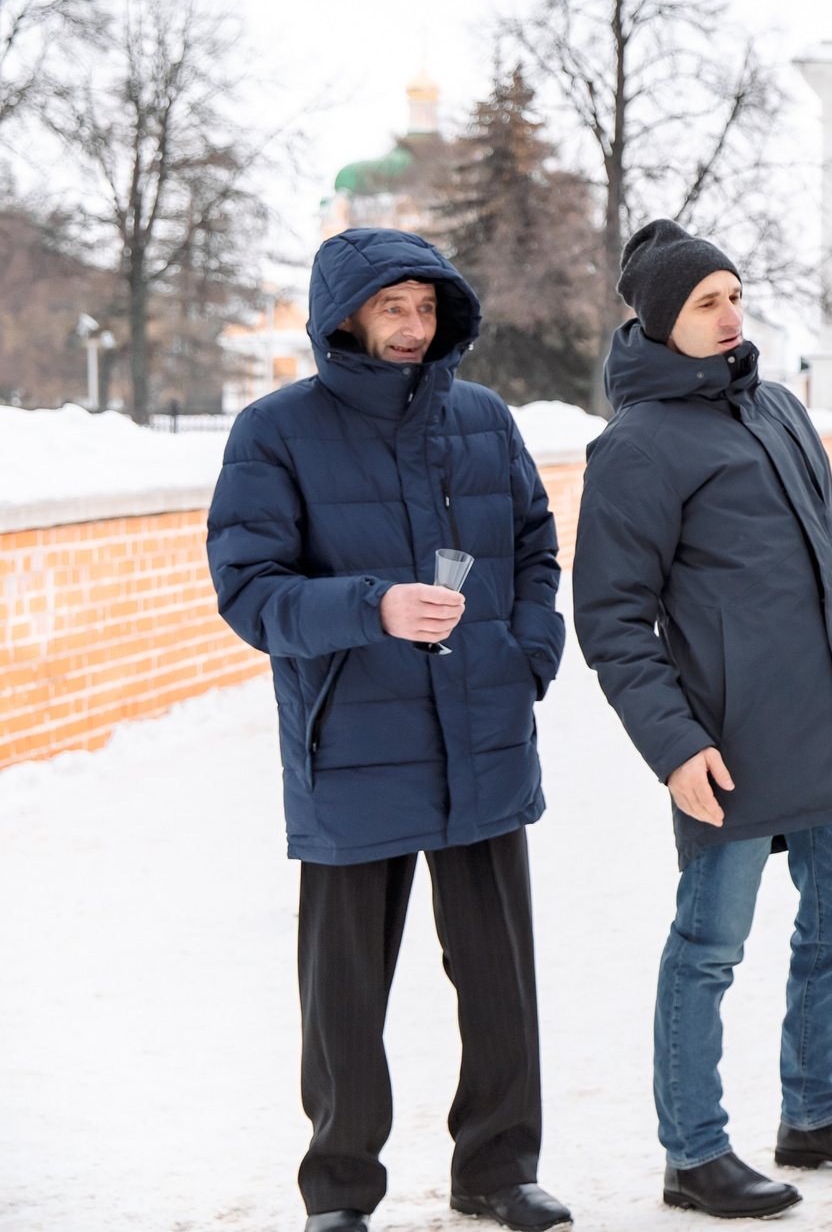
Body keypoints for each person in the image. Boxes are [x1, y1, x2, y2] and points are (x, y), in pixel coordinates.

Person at [207, 227, 572, 1232]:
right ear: (345, 318)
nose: (413, 326)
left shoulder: (484, 420)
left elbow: (536, 549)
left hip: (484, 728)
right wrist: (373, 606)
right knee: (344, 990)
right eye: (391, 307)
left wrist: (528, 654)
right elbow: (251, 592)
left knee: (499, 976)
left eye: (425, 306)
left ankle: (499, 1170)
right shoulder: (275, 430)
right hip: (353, 743)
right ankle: (338, 1190)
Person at [575, 220, 832, 1221]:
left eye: (733, 294)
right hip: (729, 741)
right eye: (705, 302)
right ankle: (693, 1152)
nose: (730, 315)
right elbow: (610, 619)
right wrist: (675, 746)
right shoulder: (636, 446)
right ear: (660, 321)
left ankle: (815, 1110)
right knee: (708, 947)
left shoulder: (777, 406)